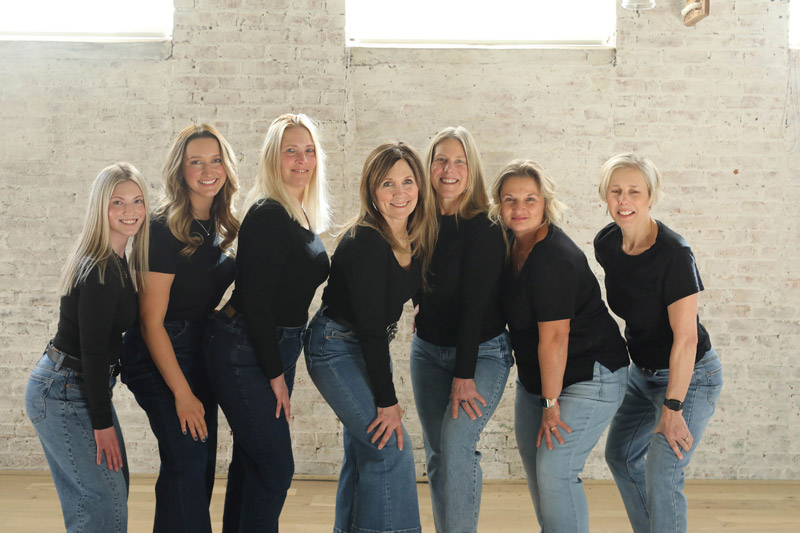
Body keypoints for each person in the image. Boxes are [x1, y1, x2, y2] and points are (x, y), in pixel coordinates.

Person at [204, 113, 330, 532]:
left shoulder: (299, 212)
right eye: (290, 150)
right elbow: (256, 303)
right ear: (273, 158)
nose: (301, 159)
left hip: (275, 344)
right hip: (246, 346)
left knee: (254, 463)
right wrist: (275, 373)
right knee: (276, 467)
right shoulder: (267, 213)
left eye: (308, 150)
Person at [304, 142, 438, 533]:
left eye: (408, 181)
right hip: (335, 346)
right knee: (391, 448)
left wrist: (421, 308)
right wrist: (388, 402)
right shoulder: (365, 242)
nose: (400, 193)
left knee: (364, 451)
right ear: (371, 191)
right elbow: (369, 330)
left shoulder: (416, 233)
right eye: (388, 184)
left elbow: (417, 287)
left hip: (364, 344)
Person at [491, 160, 629, 532]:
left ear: (545, 203)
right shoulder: (508, 243)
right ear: (498, 205)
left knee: (555, 470)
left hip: (591, 373)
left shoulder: (553, 258)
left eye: (530, 200)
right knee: (541, 473)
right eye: (510, 200)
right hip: (540, 378)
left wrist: (551, 407)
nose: (519, 209)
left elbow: (555, 338)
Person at [595, 153, 723, 533]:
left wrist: (673, 407)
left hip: (691, 376)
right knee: (619, 455)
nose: (624, 200)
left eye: (634, 191)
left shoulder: (675, 254)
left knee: (663, 467)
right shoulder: (606, 243)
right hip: (643, 373)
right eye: (615, 191)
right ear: (604, 195)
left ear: (650, 196)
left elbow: (684, 339)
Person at [121, 124, 239, 532]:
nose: (208, 170)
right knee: (187, 456)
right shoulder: (162, 228)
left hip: (199, 349)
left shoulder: (223, 226)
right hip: (157, 353)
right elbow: (150, 322)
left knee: (200, 459)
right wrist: (183, 393)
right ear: (180, 170)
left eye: (216, 160)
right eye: (196, 162)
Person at [25, 162, 149, 532]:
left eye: (138, 201)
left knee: (104, 498)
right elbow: (94, 351)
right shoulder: (100, 270)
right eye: (118, 203)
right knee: (102, 503)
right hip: (63, 390)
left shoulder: (119, 259)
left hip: (74, 384)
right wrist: (102, 422)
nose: (130, 212)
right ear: (100, 208)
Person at [410, 126, 512, 532]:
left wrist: (464, 375)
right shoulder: (419, 219)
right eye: (440, 160)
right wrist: (422, 306)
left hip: (482, 351)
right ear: (428, 167)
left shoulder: (485, 226)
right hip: (428, 351)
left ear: (471, 169)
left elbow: (474, 306)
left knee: (456, 445)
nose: (448, 169)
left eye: (459, 161)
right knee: (438, 453)